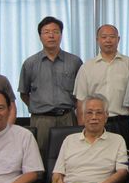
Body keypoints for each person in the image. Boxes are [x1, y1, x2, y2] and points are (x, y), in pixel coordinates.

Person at [18, 16, 83, 155]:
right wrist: (39, 107)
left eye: (55, 31)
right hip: (41, 120)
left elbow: (81, 93)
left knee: (71, 155)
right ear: (40, 36)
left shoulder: (74, 62)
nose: (51, 35)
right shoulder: (30, 63)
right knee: (40, 155)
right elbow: (24, 93)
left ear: (61, 34)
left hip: (68, 118)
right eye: (46, 32)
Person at [73, 24, 129, 147]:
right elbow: (81, 101)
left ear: (118, 39)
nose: (108, 40)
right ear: (97, 39)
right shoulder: (87, 67)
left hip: (122, 122)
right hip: (95, 122)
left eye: (112, 37)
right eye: (104, 37)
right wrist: (82, 128)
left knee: (123, 156)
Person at [52, 94, 129, 183]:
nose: (94, 117)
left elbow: (122, 172)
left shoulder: (117, 140)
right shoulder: (69, 140)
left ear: (106, 116)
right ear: (83, 116)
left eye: (99, 113)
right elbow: (57, 173)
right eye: (89, 112)